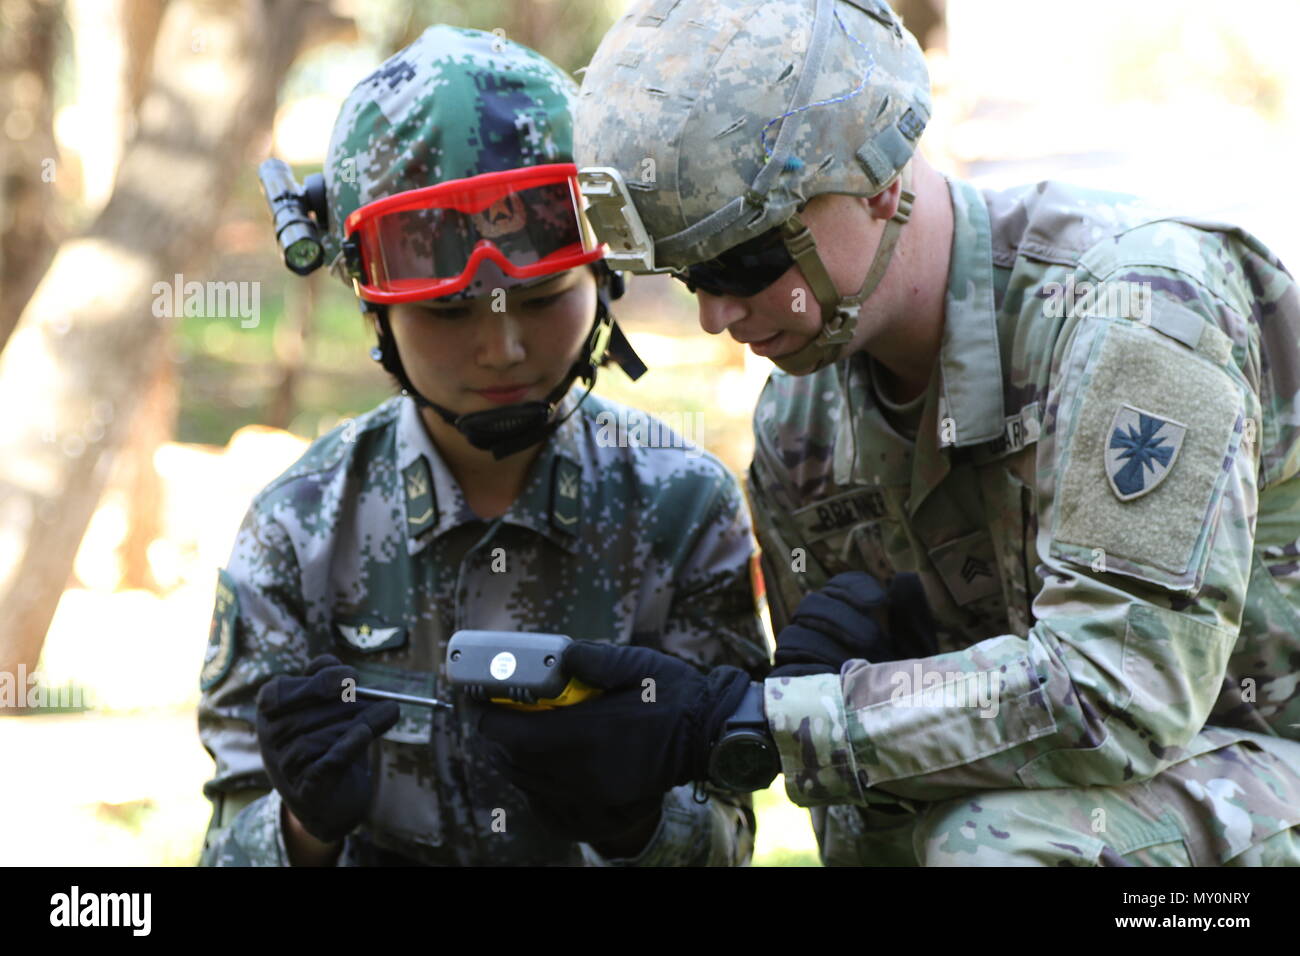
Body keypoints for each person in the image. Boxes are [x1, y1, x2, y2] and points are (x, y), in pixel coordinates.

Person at [474, 0, 1300, 866]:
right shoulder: (803, 426)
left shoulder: (1133, 310)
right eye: (687, 276)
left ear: (880, 177)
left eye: (744, 260)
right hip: (1121, 809)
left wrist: (754, 719)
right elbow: (860, 813)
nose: (717, 313)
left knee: (988, 847)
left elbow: (1117, 693)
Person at [196, 23, 769, 867]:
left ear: (601, 279)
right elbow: (225, 844)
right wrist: (301, 829)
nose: (502, 349)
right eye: (449, 312)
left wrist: (636, 826)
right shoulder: (300, 528)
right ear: (376, 314)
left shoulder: (684, 506)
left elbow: (731, 828)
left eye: (540, 299)